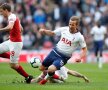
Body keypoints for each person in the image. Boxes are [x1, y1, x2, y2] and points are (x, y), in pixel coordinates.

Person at [38, 16, 87, 85]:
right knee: (41, 68)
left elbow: (84, 49)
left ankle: (45, 80)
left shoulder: (79, 37)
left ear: (77, 25)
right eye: (70, 24)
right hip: (54, 52)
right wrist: (44, 31)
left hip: (63, 57)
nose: (70, 26)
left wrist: (80, 57)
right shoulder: (64, 29)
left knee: (51, 69)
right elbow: (52, 33)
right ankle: (54, 77)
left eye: (72, 25)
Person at [0, 3, 33, 83]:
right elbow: (21, 29)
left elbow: (10, 27)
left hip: (16, 44)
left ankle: (28, 77)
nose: (1, 13)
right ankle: (11, 57)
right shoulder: (14, 17)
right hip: (11, 41)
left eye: (1, 11)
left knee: (13, 65)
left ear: (6, 10)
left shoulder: (11, 17)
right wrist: (13, 35)